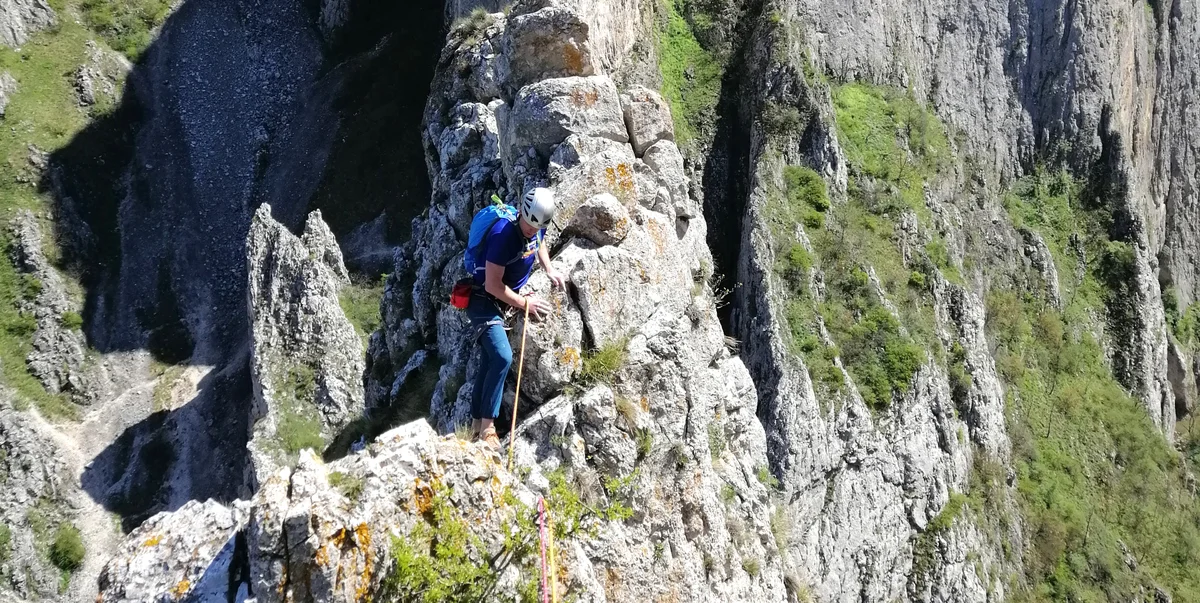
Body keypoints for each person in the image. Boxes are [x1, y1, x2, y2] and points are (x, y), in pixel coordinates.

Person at [468, 187, 565, 448]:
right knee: (501, 356)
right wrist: (525, 303)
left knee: (489, 360)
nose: (532, 230)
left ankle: (476, 426)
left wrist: (549, 269)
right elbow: (492, 285)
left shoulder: (537, 224)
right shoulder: (503, 235)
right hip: (482, 300)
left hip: (500, 298)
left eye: (538, 226)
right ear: (522, 212)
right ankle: (488, 428)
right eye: (530, 224)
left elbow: (539, 242)